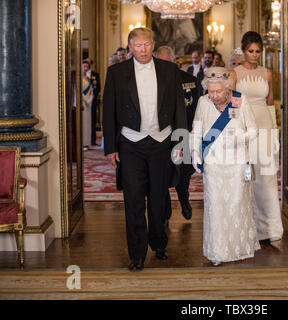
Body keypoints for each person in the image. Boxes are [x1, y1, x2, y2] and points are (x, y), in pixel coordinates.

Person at [103, 28, 187, 272]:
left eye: (147, 45)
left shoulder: (169, 71)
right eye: (137, 45)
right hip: (130, 144)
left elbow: (179, 110)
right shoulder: (116, 73)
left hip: (161, 141)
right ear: (130, 47)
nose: (143, 50)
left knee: (159, 197)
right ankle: (137, 253)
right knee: (134, 199)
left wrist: (180, 142)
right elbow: (108, 112)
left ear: (153, 45)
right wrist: (110, 147)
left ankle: (159, 243)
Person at [191, 67, 260, 266]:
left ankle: (240, 248)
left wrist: (239, 138)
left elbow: (254, 130)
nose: (213, 96)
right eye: (210, 91)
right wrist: (196, 153)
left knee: (237, 204)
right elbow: (196, 130)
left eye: (218, 92)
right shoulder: (204, 102)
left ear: (227, 88)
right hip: (213, 163)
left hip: (237, 163)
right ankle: (217, 251)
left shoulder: (240, 100)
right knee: (216, 207)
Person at [230, 31, 283, 249]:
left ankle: (271, 229)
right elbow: (233, 106)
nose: (254, 55)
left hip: (264, 127)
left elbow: (270, 103)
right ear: (243, 51)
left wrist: (274, 133)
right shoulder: (234, 73)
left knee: (267, 179)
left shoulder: (267, 73)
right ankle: (247, 226)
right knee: (245, 177)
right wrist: (234, 132)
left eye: (258, 51)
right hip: (244, 127)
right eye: (251, 51)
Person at [155, 46, 199, 225]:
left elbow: (196, 109)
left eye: (169, 62)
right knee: (162, 173)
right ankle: (164, 211)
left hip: (184, 133)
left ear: (175, 61)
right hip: (161, 136)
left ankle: (184, 200)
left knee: (184, 172)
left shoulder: (190, 80)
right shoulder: (151, 81)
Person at [83, 58, 101, 146]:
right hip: (84, 101)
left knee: (93, 120)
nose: (86, 66)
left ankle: (92, 140)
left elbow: (98, 87)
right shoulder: (81, 76)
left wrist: (93, 96)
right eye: (85, 64)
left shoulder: (95, 74)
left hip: (92, 100)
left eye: (88, 64)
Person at [82, 60, 94, 149]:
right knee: (83, 123)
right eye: (84, 66)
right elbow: (79, 91)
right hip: (82, 103)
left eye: (87, 67)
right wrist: (86, 99)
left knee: (88, 123)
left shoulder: (88, 79)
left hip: (89, 104)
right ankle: (82, 142)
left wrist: (90, 99)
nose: (85, 68)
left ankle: (86, 142)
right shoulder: (79, 79)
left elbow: (91, 91)